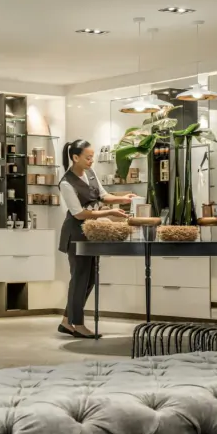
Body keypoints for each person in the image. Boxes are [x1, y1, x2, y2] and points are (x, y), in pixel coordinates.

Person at [57, 140, 136, 338]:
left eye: (92, 157)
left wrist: (123, 199)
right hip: (76, 233)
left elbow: (103, 195)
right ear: (75, 158)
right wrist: (108, 213)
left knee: (89, 278)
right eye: (88, 157)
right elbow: (79, 214)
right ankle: (78, 324)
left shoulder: (91, 174)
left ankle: (67, 321)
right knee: (80, 279)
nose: (92, 161)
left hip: (91, 233)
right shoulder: (66, 182)